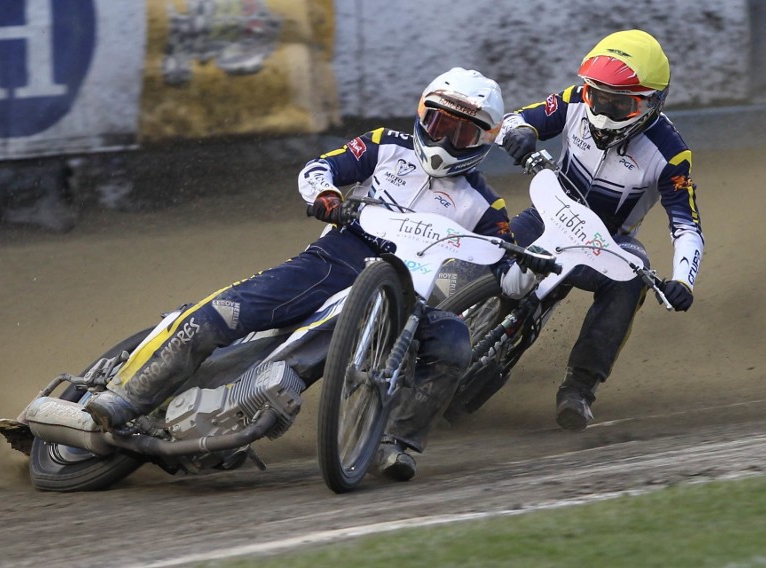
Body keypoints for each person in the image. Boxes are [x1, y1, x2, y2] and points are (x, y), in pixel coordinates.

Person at [84, 67, 550, 481]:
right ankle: (128, 397)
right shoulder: (386, 144)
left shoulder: (488, 205)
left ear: (485, 141)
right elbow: (319, 167)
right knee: (227, 311)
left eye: (462, 133)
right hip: (336, 258)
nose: (446, 139)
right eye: (439, 123)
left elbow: (503, 273)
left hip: (411, 292)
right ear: (421, 116)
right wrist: (327, 196)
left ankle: (399, 443)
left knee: (454, 343)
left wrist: (524, 274)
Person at [497, 29, 705, 430]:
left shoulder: (671, 153)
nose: (603, 111)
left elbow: (687, 225)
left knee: (632, 279)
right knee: (486, 253)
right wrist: (519, 133)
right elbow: (514, 119)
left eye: (620, 103)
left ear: (652, 104)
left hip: (606, 245)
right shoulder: (574, 100)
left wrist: (684, 280)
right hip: (547, 214)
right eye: (598, 96)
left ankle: (580, 386)